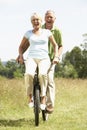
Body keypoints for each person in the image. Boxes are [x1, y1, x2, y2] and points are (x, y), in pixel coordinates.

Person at [16, 13, 59, 110]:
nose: (36, 22)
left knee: (42, 74)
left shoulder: (47, 32)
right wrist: (21, 56)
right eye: (33, 20)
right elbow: (21, 47)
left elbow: (55, 45)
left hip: (44, 58)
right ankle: (30, 97)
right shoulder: (28, 33)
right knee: (28, 74)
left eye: (37, 20)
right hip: (31, 58)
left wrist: (56, 56)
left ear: (41, 21)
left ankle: (43, 97)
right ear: (31, 22)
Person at [42, 10, 63, 113]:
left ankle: (49, 105)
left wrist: (57, 57)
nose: (49, 19)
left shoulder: (57, 31)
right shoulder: (39, 29)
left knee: (49, 79)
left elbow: (60, 46)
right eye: (47, 17)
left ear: (55, 19)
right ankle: (36, 99)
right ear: (44, 18)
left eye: (51, 17)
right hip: (39, 59)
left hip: (51, 60)